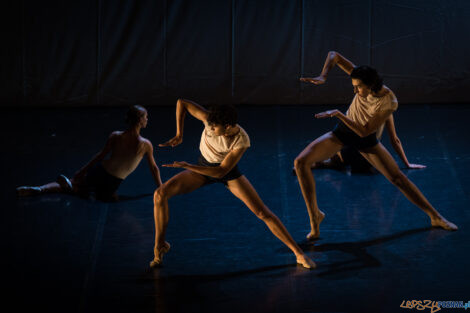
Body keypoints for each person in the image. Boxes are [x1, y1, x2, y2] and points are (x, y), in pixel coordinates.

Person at [296, 51, 457, 240]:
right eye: (353, 86)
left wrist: (339, 114)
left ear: (371, 85)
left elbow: (364, 132)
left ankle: (435, 217)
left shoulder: (389, 102)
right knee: (300, 162)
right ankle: (315, 217)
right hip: (343, 133)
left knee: (398, 179)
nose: (355, 91)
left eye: (358, 87)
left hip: (364, 138)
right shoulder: (362, 77)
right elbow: (334, 55)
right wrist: (323, 76)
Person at [151, 99, 315, 269]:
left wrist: (187, 166)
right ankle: (160, 244)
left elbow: (221, 171)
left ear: (227, 126)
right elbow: (181, 103)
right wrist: (179, 134)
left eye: (214, 127)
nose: (210, 128)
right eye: (210, 125)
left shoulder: (241, 139)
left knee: (262, 212)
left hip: (226, 173)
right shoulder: (209, 119)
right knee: (160, 194)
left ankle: (298, 254)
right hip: (203, 167)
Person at [16, 105, 162, 201]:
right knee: (102, 196)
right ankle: (71, 188)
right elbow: (154, 168)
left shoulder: (116, 135)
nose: (147, 119)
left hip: (100, 170)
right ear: (139, 120)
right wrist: (161, 188)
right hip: (114, 181)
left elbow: (100, 156)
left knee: (79, 186)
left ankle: (40, 189)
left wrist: (82, 170)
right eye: (145, 117)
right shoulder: (145, 144)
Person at [311, 113, 426, 173]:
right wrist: (407, 164)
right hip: (366, 156)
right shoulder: (385, 112)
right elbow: (394, 139)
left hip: (354, 152)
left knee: (336, 158)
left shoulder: (362, 109)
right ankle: (327, 162)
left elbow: (344, 134)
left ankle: (324, 162)